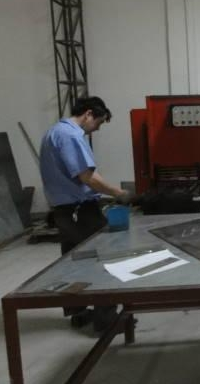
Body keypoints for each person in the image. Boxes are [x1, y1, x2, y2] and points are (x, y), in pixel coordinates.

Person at [39, 96, 130, 332]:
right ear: (88, 114)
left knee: (73, 263)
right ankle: (106, 319)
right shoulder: (71, 135)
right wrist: (119, 193)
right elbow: (87, 177)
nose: (97, 129)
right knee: (102, 261)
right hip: (81, 211)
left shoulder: (53, 132)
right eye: (98, 122)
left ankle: (78, 312)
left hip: (64, 211)